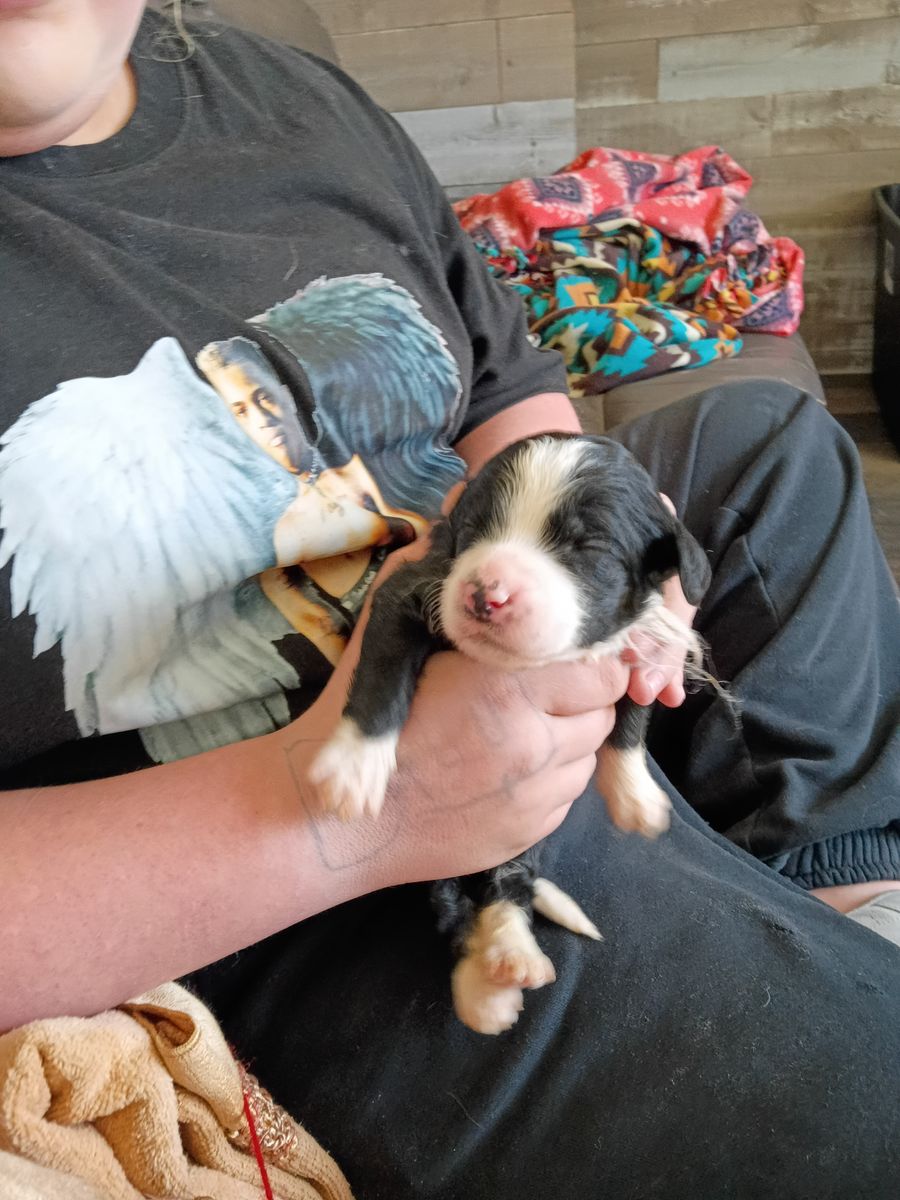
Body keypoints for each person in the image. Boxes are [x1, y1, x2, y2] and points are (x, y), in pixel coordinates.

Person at [1, 3, 898, 1197]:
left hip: (453, 647)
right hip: (261, 879)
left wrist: (578, 557)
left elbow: (503, 387)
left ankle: (843, 900)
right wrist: (354, 817)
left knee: (772, 444)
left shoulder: (290, 96)